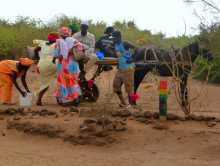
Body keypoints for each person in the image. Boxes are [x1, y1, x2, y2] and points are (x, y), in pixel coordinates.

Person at [53, 27, 82, 106]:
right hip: (73, 64)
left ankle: (66, 100)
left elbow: (56, 54)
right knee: (73, 81)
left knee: (63, 82)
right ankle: (75, 98)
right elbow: (81, 48)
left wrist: (60, 55)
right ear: (69, 33)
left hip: (63, 65)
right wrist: (71, 51)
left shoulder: (58, 42)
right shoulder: (74, 41)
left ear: (60, 33)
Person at [112, 31, 137, 108]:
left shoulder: (125, 43)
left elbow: (136, 48)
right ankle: (124, 103)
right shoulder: (115, 45)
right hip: (120, 69)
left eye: (114, 38)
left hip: (128, 68)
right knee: (116, 86)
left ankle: (132, 105)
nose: (113, 39)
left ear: (118, 37)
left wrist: (132, 58)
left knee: (129, 88)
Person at [35, 32, 59, 106]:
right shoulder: (56, 44)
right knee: (61, 80)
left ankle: (39, 99)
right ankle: (61, 98)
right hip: (52, 64)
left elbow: (35, 49)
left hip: (40, 65)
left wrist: (38, 59)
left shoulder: (43, 43)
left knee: (45, 83)